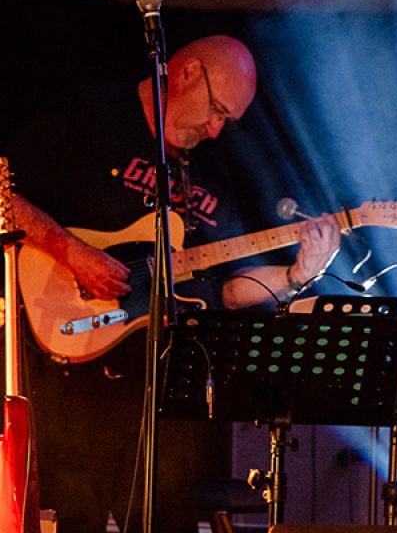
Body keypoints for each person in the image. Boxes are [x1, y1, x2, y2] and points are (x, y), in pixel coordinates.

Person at [4, 35, 342, 533]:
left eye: (226, 120)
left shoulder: (207, 171)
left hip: (159, 386)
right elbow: (5, 196)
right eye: (215, 111)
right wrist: (70, 252)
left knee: (169, 518)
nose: (214, 128)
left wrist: (298, 274)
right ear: (184, 74)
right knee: (75, 515)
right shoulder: (90, 112)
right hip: (67, 375)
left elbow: (227, 287)